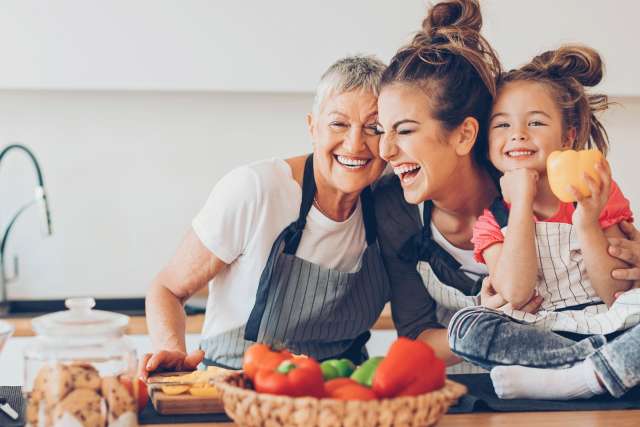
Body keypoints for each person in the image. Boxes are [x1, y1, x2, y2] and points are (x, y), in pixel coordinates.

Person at [140, 55, 392, 376]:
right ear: (312, 128)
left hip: (341, 392)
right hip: (235, 386)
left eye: (374, 128)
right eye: (338, 124)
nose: (355, 144)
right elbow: (167, 288)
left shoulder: (394, 205)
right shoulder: (256, 190)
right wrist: (173, 352)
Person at [448, 45, 640, 400]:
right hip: (542, 333)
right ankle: (593, 369)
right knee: (465, 326)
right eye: (502, 124)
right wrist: (520, 203)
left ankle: (576, 377)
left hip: (608, 321)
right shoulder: (492, 220)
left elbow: (615, 294)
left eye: (535, 122)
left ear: (568, 137)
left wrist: (586, 222)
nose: (518, 134)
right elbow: (516, 294)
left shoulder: (597, 193)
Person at [373, 0, 542, 369]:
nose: (385, 150)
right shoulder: (393, 209)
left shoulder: (533, 188)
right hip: (458, 398)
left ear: (464, 135)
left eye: (403, 130)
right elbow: (416, 335)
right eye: (381, 131)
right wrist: (483, 320)